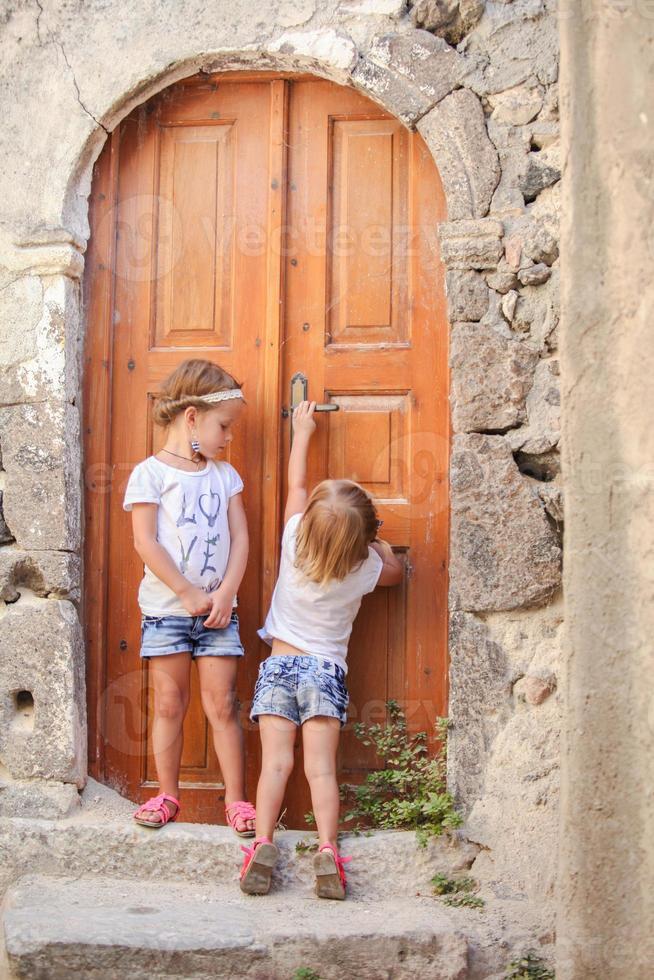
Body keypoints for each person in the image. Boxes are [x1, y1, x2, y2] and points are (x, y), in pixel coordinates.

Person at [240, 400, 403, 899]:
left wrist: (303, 431)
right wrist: (382, 547)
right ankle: (328, 849)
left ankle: (262, 843)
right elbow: (396, 575)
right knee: (320, 769)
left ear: (309, 522)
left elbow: (293, 489)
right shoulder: (365, 569)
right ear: (362, 539)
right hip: (324, 673)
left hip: (279, 665)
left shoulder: (293, 541)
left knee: (275, 766)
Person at [122, 358, 256, 837]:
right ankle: (167, 794)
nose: (230, 437)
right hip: (166, 613)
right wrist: (186, 591)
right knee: (169, 705)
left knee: (223, 706)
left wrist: (226, 594)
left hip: (220, 613)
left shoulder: (225, 477)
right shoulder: (150, 475)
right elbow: (145, 542)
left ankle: (238, 802)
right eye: (225, 426)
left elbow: (241, 540)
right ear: (193, 417)